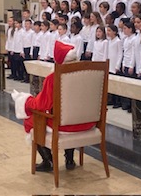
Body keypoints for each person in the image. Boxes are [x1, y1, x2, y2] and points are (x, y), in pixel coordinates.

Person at [11, 41, 86, 172]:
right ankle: (69, 158)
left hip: (62, 125)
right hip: (86, 122)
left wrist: (24, 100)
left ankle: (48, 161)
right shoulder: (86, 74)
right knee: (71, 112)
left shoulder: (54, 77)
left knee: (32, 119)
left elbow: (42, 104)